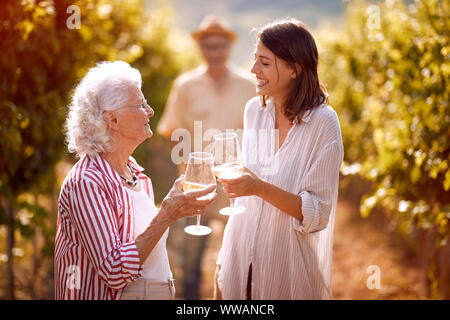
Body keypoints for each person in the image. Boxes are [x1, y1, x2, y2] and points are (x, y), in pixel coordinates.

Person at [55, 61, 216, 300]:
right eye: (141, 104)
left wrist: (172, 210)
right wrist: (165, 216)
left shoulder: (135, 173)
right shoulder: (87, 182)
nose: (150, 111)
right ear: (113, 120)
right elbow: (114, 271)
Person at [214, 19, 344, 299]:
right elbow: (248, 188)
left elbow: (317, 213)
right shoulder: (255, 111)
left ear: (294, 69)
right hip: (240, 258)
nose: (253, 70)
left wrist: (259, 187)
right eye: (254, 60)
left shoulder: (323, 123)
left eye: (264, 63)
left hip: (287, 273)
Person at [157, 15, 256, 299]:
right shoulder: (185, 85)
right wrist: (192, 165)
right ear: (200, 48)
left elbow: (260, 131)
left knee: (244, 254)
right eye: (208, 46)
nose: (214, 52)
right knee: (191, 259)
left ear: (228, 47)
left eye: (219, 46)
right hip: (196, 186)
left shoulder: (249, 86)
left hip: (237, 184)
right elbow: (172, 132)